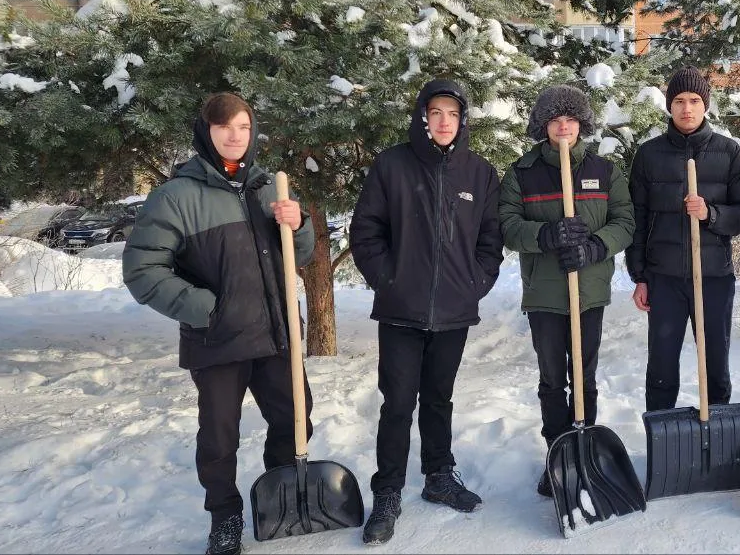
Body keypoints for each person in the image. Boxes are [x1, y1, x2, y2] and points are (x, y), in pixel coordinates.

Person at [123, 92, 316, 555]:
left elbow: (301, 255)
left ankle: (280, 497)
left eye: (243, 127)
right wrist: (207, 309)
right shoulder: (176, 197)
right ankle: (224, 518)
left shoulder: (269, 188)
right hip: (218, 339)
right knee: (219, 436)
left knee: (295, 419)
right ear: (206, 132)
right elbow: (142, 270)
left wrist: (299, 224)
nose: (235, 136)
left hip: (276, 333)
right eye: (224, 126)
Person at [349, 79, 504, 544]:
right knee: (398, 404)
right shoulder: (392, 165)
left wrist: (474, 284)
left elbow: (491, 239)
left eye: (452, 114)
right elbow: (365, 231)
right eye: (435, 112)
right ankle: (388, 492)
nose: (444, 121)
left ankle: (438, 476)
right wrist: (388, 280)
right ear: (422, 117)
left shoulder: (479, 173)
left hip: (454, 311)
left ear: (463, 120)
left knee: (439, 398)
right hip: (401, 310)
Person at [497, 84, 634, 497]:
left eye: (571, 119)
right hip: (545, 294)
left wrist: (595, 246)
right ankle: (557, 454)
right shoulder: (522, 173)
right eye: (555, 120)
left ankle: (584, 451)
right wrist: (546, 234)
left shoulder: (604, 171)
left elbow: (624, 221)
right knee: (552, 379)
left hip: (588, 292)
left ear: (581, 125)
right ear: (543, 125)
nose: (563, 127)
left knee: (585, 377)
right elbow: (507, 226)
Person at [627, 66, 740, 412]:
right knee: (661, 367)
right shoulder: (649, 154)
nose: (687, 108)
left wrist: (710, 214)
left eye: (695, 100)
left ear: (705, 105)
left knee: (715, 364)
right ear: (670, 105)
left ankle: (717, 429)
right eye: (680, 101)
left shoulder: (728, 152)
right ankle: (662, 432)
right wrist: (640, 276)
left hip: (713, 277)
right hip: (663, 278)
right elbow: (637, 218)